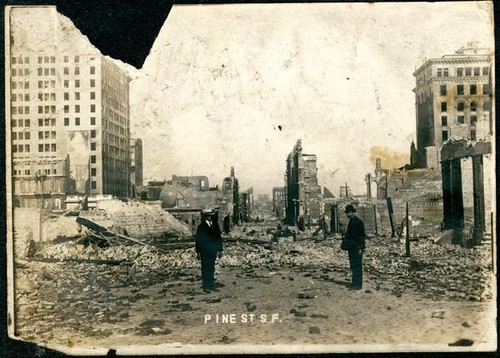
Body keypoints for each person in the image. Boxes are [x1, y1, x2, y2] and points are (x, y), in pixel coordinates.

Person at [195, 208, 223, 293]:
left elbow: (218, 238)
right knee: (205, 268)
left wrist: (220, 250)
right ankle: (206, 286)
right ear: (205, 217)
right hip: (204, 251)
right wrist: (198, 252)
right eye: (208, 216)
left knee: (211, 268)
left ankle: (211, 285)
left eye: (211, 216)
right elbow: (198, 240)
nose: (209, 218)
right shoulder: (201, 227)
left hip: (213, 251)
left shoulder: (215, 226)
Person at [343, 204, 366, 290]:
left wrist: (360, 248)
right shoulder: (351, 221)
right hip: (351, 247)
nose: (348, 215)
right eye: (347, 213)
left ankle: (357, 285)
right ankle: (354, 283)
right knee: (353, 265)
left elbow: (361, 236)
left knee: (357, 266)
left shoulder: (358, 222)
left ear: (352, 212)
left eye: (349, 213)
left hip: (357, 248)